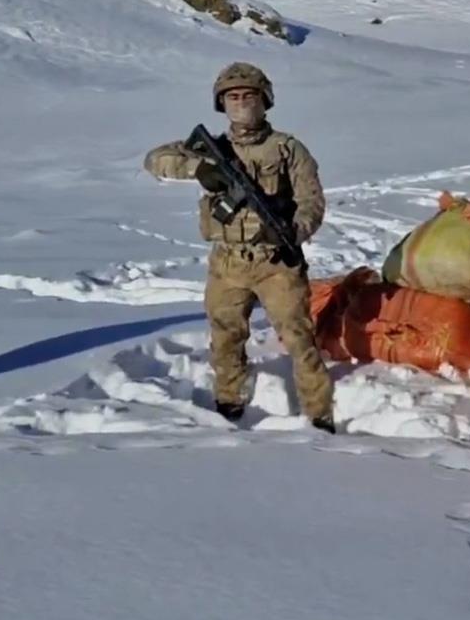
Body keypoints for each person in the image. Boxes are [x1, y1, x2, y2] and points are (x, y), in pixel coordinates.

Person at [143, 62, 335, 433]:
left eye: (249, 95)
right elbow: (154, 160)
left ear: (265, 100)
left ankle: (319, 413)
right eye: (232, 97)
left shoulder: (287, 149)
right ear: (221, 103)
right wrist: (199, 170)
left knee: (299, 338)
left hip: (275, 262)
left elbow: (311, 201)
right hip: (227, 262)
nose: (241, 103)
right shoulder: (213, 150)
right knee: (225, 335)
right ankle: (229, 401)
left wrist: (294, 231)